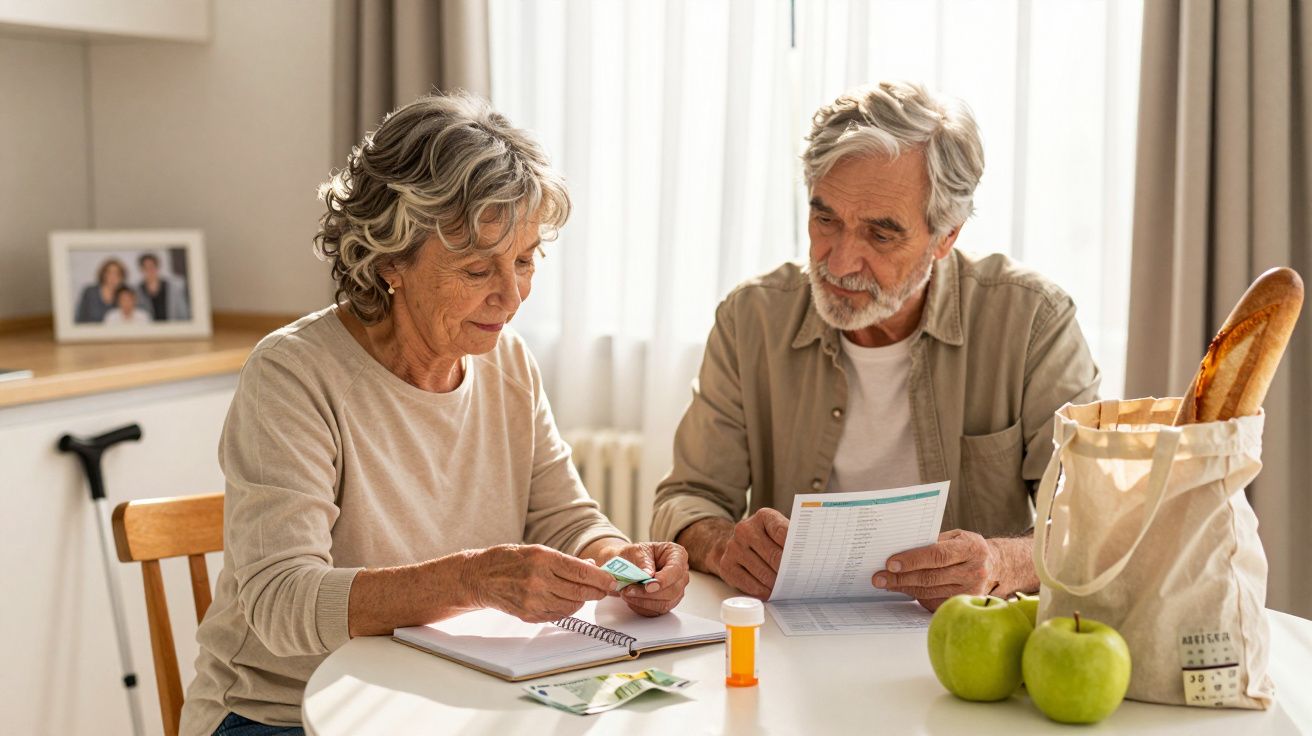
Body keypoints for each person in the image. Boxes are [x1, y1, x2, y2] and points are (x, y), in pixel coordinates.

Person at [181, 93, 691, 736]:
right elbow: (282, 604)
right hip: (281, 712)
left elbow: (564, 516)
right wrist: (475, 580)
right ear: (391, 259)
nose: (510, 296)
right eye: (478, 267)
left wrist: (623, 561)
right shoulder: (293, 373)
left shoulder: (508, 365)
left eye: (526, 259)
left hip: (436, 695)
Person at [651, 81, 1100, 611]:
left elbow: (1092, 518)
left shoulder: (1032, 322)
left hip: (969, 637)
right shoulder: (751, 318)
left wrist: (1003, 562)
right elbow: (686, 499)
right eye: (825, 219)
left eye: (881, 235)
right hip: (790, 640)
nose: (839, 262)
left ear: (946, 236)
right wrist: (723, 545)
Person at [137, 252, 191, 321]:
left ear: (157, 267)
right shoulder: (138, 290)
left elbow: (183, 312)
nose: (149, 271)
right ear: (141, 269)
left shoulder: (173, 287)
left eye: (152, 267)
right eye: (145, 268)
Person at [74, 257, 127, 323]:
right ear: (103, 274)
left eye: (117, 273)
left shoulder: (125, 295)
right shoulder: (90, 292)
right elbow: (79, 317)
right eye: (109, 273)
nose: (113, 277)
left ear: (122, 277)